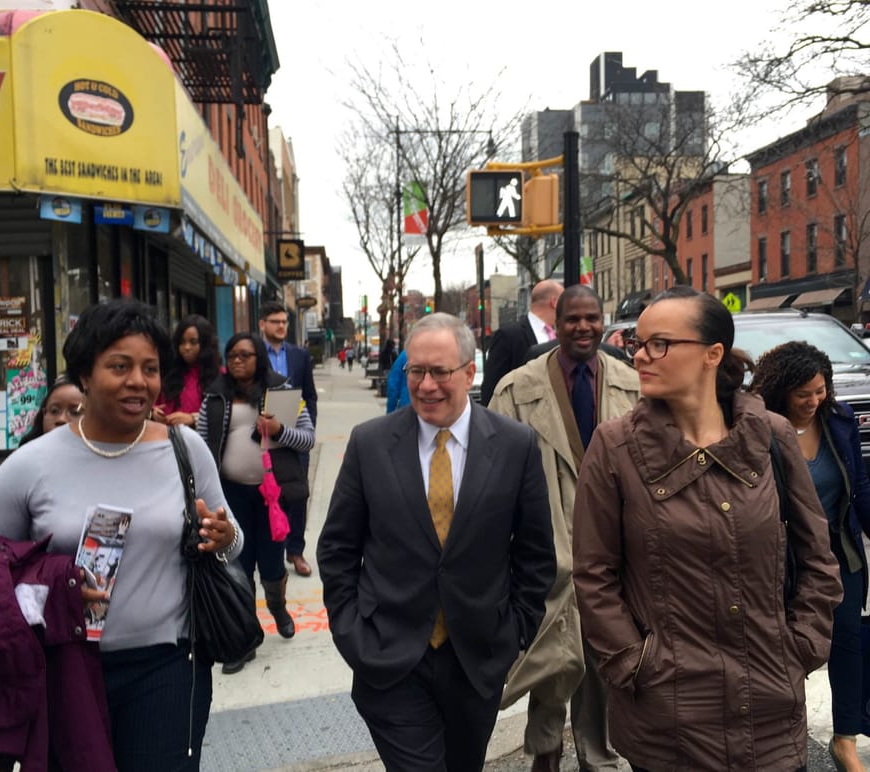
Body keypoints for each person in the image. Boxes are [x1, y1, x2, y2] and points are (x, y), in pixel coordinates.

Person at [572, 286, 842, 771]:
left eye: (660, 343)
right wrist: (635, 664)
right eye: (637, 342)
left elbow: (819, 556)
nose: (639, 356)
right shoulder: (614, 447)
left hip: (771, 713)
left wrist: (800, 646)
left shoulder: (773, 436)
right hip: (668, 720)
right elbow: (594, 576)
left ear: (712, 354)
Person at [0, 298, 242, 771]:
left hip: (168, 664)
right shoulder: (30, 466)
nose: (138, 381)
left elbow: (233, 538)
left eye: (150, 368)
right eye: (120, 366)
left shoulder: (187, 450)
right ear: (84, 375)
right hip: (65, 668)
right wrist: (49, 592)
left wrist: (223, 537)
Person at [317, 312, 557, 772]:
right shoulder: (370, 444)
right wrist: (351, 631)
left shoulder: (514, 445)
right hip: (389, 658)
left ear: (470, 372)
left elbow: (535, 553)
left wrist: (515, 634)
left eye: (440, 372)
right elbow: (337, 550)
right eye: (416, 371)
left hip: (477, 660)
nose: (426, 385)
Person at [489, 284, 640, 772]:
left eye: (592, 318)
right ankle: (546, 753)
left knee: (602, 659)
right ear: (557, 322)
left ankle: (597, 757)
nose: (584, 327)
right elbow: (492, 479)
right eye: (573, 319)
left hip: (613, 550)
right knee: (553, 657)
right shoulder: (516, 389)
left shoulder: (631, 386)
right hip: (545, 552)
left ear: (603, 320)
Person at [750, 341, 870, 772]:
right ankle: (781, 739)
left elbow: (859, 489)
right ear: (781, 391)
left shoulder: (838, 421)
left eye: (821, 390)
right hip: (780, 561)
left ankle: (845, 741)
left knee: (849, 643)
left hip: (839, 553)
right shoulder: (756, 428)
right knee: (782, 650)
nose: (814, 400)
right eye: (804, 394)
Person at [197, 332, 315, 674]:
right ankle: (246, 637)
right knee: (238, 566)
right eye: (232, 354)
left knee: (272, 564)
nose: (237, 360)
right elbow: (203, 446)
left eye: (245, 355)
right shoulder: (215, 397)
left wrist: (279, 430)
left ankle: (277, 607)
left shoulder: (281, 392)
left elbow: (307, 440)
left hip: (272, 497)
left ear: (259, 358)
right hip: (230, 494)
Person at [258, 301, 318, 578]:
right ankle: (271, 549)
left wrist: (308, 428)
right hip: (261, 435)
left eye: (284, 322)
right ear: (262, 324)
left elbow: (309, 394)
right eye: (275, 322)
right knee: (267, 493)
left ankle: (295, 551)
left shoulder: (300, 355)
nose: (281, 326)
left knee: (297, 495)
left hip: (293, 435)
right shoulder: (253, 353)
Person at [481, 279, 563, 405]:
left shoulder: (561, 336)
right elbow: (491, 389)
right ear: (554, 302)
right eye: (564, 302)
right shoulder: (508, 336)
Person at [151, 314, 221, 429]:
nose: (186, 347)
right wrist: (153, 412)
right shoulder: (168, 373)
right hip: (166, 439)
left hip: (200, 442)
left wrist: (193, 418)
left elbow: (226, 416)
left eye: (193, 342)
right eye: (182, 342)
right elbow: (150, 403)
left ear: (205, 344)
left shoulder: (219, 376)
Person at [19, 373, 85, 445]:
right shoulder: (26, 454)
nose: (61, 419)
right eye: (54, 411)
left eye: (75, 412)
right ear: (44, 414)